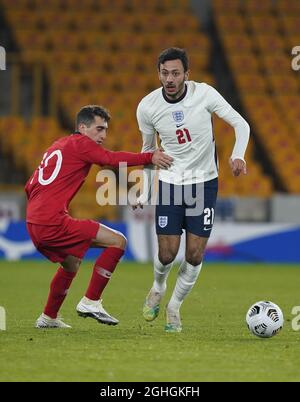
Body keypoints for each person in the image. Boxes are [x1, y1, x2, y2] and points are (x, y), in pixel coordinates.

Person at [25, 105, 173, 329]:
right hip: (51, 222)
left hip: (33, 222)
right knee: (118, 241)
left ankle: (48, 318)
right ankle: (91, 301)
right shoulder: (81, 143)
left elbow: (30, 187)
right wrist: (150, 156)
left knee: (71, 263)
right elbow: (110, 159)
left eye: (106, 130)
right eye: (99, 129)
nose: (103, 135)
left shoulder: (58, 145)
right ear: (82, 128)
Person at [134, 48, 250, 333]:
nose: (170, 79)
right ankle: (158, 287)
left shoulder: (205, 94)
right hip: (171, 184)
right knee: (166, 255)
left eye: (175, 73)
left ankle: (174, 308)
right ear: (158, 74)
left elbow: (240, 123)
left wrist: (239, 155)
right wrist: (143, 188)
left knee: (195, 254)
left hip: (204, 182)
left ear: (187, 74)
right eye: (164, 73)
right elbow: (149, 152)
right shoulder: (147, 107)